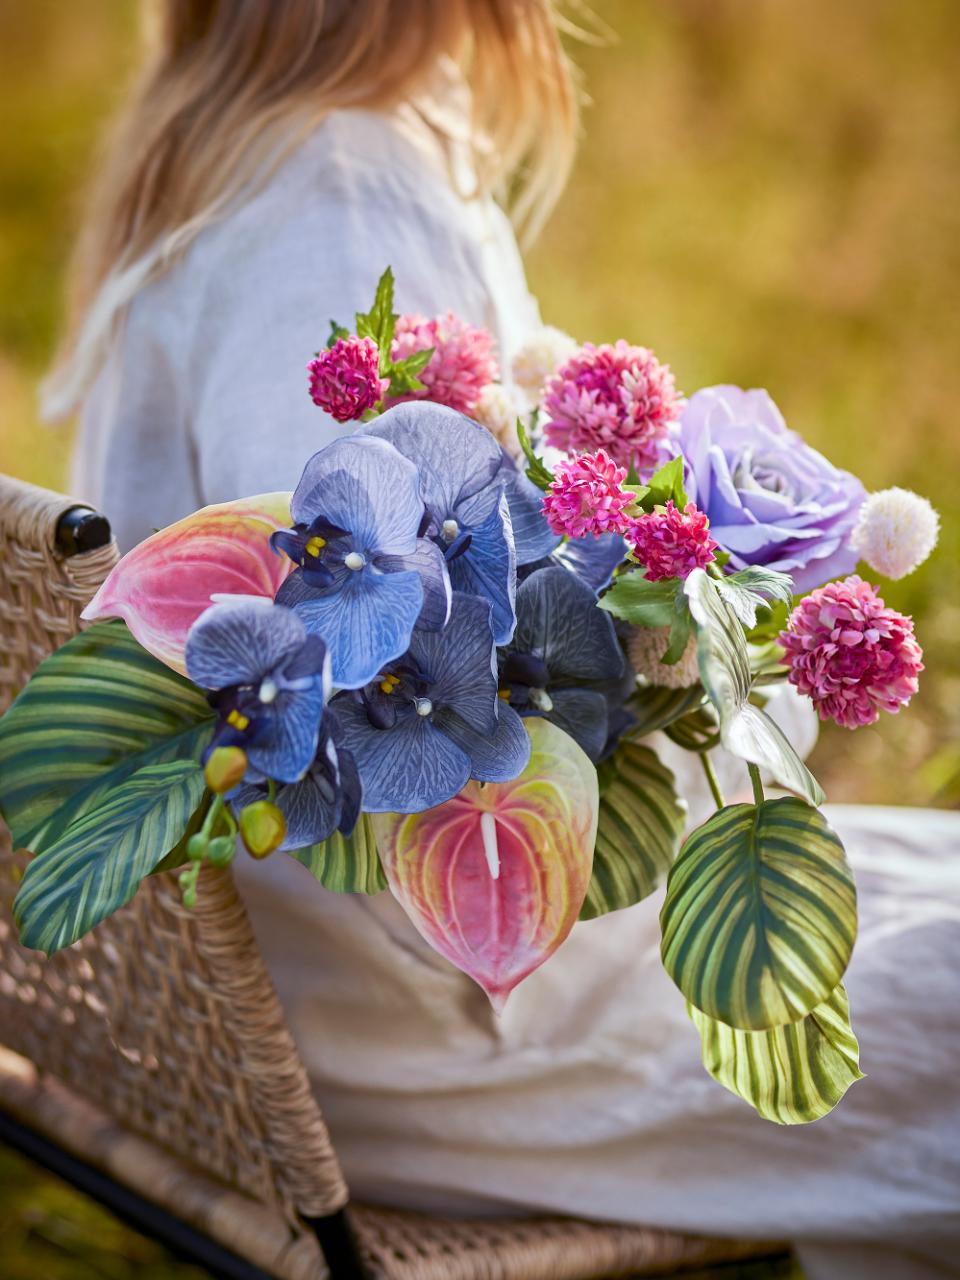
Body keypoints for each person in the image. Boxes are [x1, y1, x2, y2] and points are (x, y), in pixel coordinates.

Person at [48, 4, 960, 1276]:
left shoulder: (233, 144)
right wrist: (705, 674)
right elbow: (367, 690)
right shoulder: (338, 194)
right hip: (436, 1029)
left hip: (307, 1000)